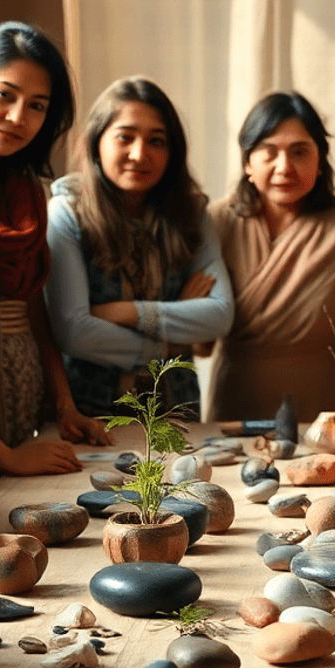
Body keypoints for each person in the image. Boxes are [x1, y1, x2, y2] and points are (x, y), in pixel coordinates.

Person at [0, 21, 109, 476]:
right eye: (5, 95)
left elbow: (35, 309)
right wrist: (4, 455)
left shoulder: (30, 192)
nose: (19, 117)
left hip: (24, 397)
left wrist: (65, 406)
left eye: (37, 105)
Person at [45, 77, 233, 417]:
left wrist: (125, 312)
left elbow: (219, 315)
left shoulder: (192, 212)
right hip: (93, 418)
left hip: (179, 412)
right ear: (96, 141)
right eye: (125, 137)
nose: (140, 154)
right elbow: (74, 333)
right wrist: (171, 343)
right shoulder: (66, 213)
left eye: (156, 141)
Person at [205, 91, 335, 421]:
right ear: (248, 163)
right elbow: (201, 344)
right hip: (237, 398)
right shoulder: (216, 222)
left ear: (320, 160)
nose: (284, 167)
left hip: (323, 402)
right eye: (269, 152)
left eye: (299, 152)